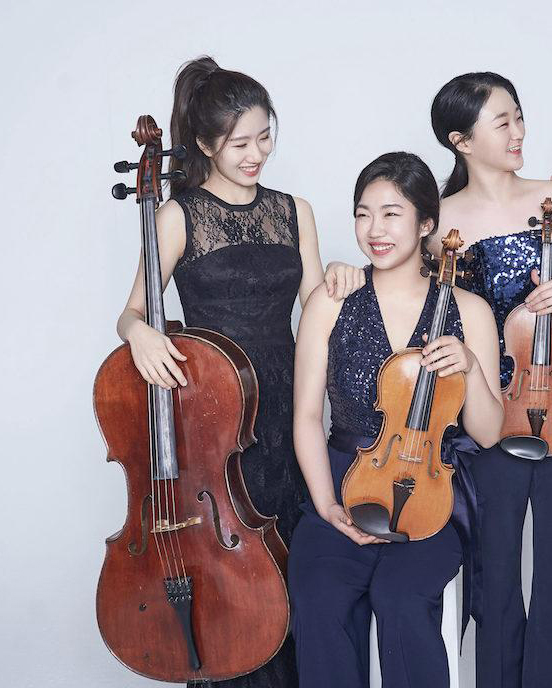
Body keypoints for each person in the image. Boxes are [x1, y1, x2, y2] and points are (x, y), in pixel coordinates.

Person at [115, 56, 363, 688]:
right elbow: (133, 311)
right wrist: (140, 332)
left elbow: (314, 308)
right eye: (240, 143)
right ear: (204, 145)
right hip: (213, 419)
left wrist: (335, 278)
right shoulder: (178, 217)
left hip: (285, 402)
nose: (258, 154)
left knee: (295, 566)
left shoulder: (293, 211)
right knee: (229, 572)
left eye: (265, 137)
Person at [288, 151, 503, 688]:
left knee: (401, 600)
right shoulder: (331, 301)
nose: (374, 230)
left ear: (426, 223)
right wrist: (327, 506)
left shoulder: (469, 310)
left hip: (431, 494)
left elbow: (488, 431)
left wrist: (472, 367)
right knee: (319, 596)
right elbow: (308, 416)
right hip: (341, 480)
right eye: (363, 214)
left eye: (391, 214)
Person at [431, 72, 552, 688]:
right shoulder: (437, 224)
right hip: (487, 415)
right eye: (501, 122)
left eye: (519, 116)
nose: (518, 132)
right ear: (461, 140)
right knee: (496, 568)